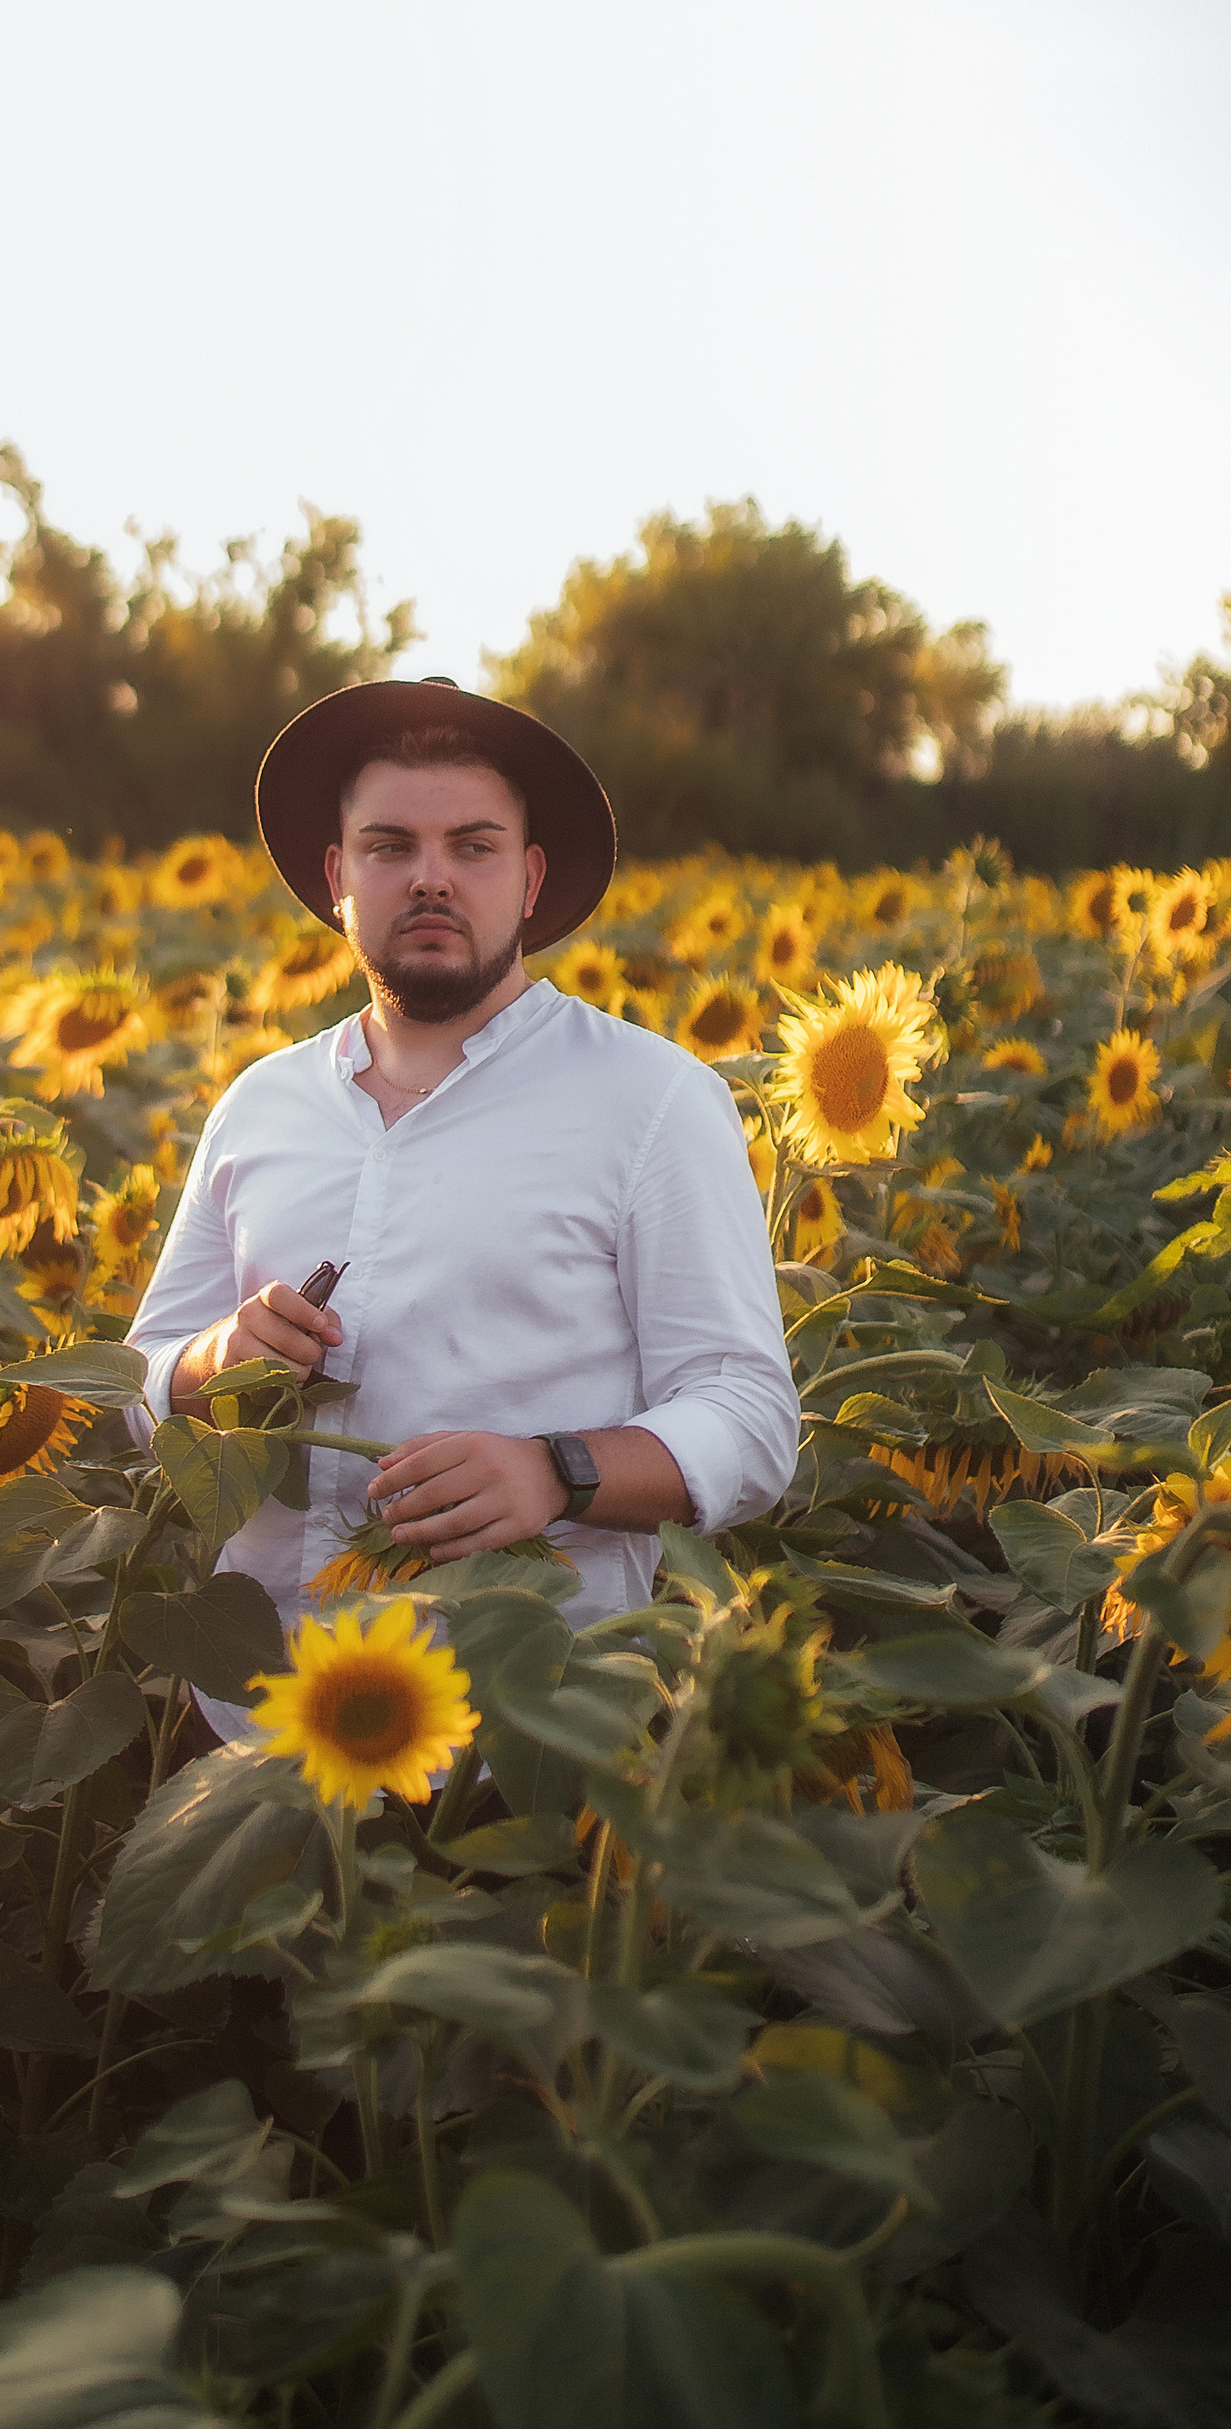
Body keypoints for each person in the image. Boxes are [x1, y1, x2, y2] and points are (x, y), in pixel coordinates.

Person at [123, 676, 799, 1735]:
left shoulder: (652, 1102)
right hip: (254, 1731)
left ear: (530, 878)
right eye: (390, 846)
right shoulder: (261, 1104)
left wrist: (557, 1472)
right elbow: (139, 1382)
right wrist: (214, 1363)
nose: (430, 877)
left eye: (473, 847)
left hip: (522, 1739)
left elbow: (747, 1416)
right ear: (338, 878)